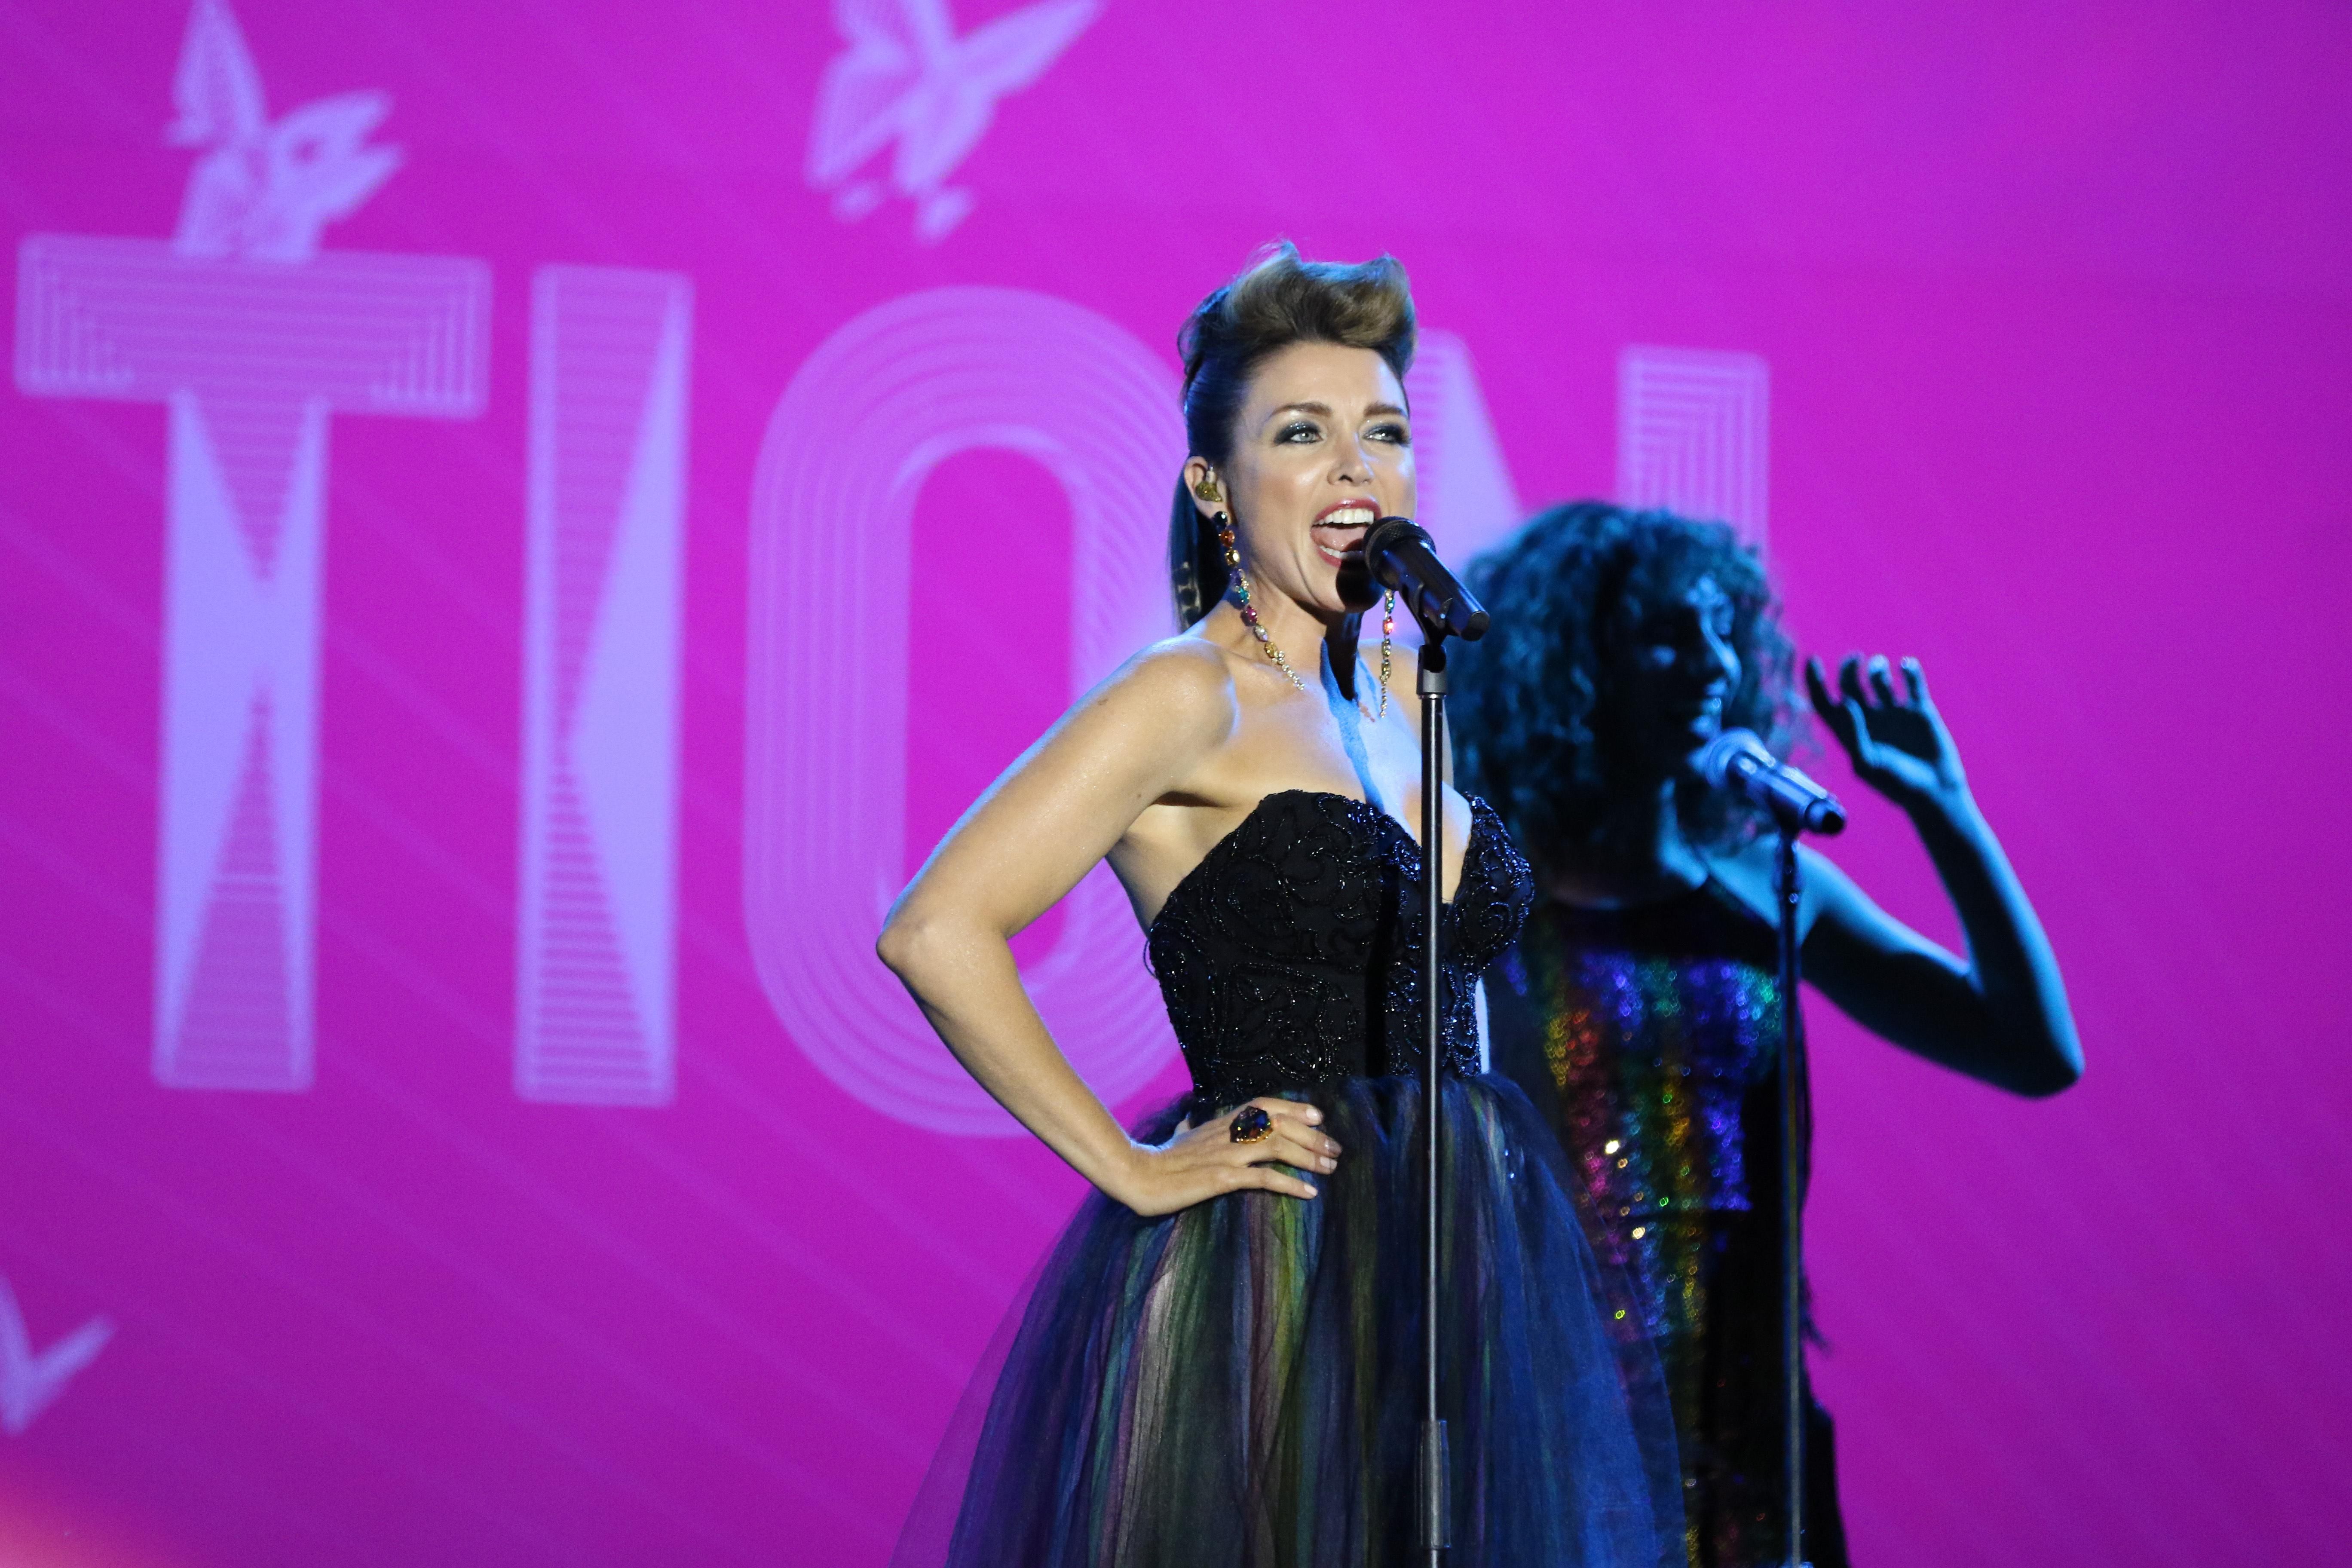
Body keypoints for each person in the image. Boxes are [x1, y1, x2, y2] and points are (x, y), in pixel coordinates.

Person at [878, 252, 1683, 1567]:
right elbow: (934, 929)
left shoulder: (1403, 702)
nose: (1356, 468)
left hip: (1458, 1255)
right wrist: (1130, 1166)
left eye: (1385, 434)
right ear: (1214, 486)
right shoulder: (1186, 694)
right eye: (1302, 435)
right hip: (1280, 1261)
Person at [1449, 503, 2085, 1568]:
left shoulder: (1771, 888)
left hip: (1743, 1424)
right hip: (1551, 1410)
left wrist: (1946, 810)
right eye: (1668, 634)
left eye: (1723, 631)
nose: (1713, 663)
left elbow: (2033, 1051)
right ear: (1577, 665)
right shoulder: (1485, 898)